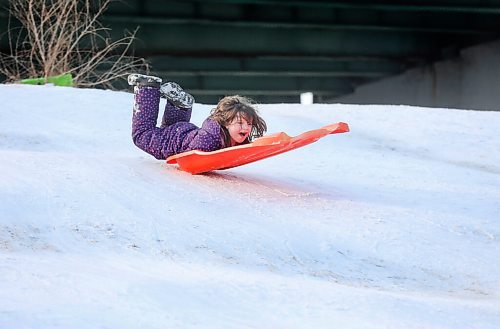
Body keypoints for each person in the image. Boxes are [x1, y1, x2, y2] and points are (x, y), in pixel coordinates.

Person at [128, 74, 267, 160]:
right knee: (141, 134)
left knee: (170, 127)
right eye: (240, 123)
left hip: (182, 133)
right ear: (226, 123)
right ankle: (147, 87)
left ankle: (180, 105)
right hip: (170, 142)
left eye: (249, 124)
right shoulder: (208, 140)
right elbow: (191, 156)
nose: (246, 128)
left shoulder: (231, 137)